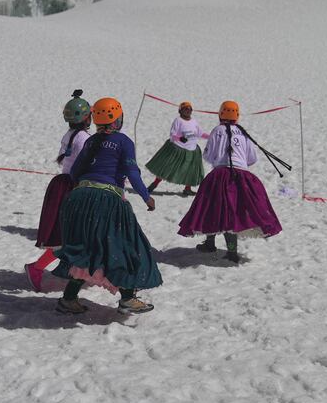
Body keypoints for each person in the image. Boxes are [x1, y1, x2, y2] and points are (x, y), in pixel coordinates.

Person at [52, 97, 162, 314]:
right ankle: (128, 298)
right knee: (125, 246)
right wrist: (146, 196)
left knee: (88, 249)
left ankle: (68, 298)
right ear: (118, 119)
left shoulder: (90, 141)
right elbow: (132, 172)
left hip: (78, 198)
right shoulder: (123, 142)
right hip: (106, 200)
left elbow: (74, 172)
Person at [177, 101, 283, 263]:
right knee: (233, 212)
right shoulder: (243, 133)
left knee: (211, 207)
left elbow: (208, 155)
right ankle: (225, 249)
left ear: (220, 114)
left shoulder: (217, 130)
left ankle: (214, 245)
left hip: (219, 175)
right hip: (242, 176)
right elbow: (252, 158)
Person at [24, 90, 91, 292]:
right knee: (70, 237)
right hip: (75, 187)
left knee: (68, 237)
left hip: (63, 184)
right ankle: (36, 268)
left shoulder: (70, 134)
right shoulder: (84, 139)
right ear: (87, 118)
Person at [145, 101, 209, 196]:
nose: (187, 111)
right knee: (167, 167)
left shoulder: (194, 121)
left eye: (189, 109)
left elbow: (200, 133)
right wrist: (179, 138)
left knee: (190, 170)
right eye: (185, 109)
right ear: (180, 111)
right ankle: (155, 183)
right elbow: (172, 135)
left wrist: (211, 136)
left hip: (192, 149)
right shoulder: (178, 121)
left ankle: (187, 188)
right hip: (178, 149)